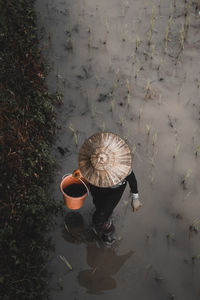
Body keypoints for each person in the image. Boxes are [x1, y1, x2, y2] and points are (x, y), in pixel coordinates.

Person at [74, 132, 142, 246]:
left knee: (100, 215)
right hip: (96, 187)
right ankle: (103, 216)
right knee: (97, 203)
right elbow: (84, 166)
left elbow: (132, 180)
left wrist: (135, 198)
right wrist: (80, 172)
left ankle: (106, 231)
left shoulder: (123, 168)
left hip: (114, 192)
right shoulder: (92, 156)